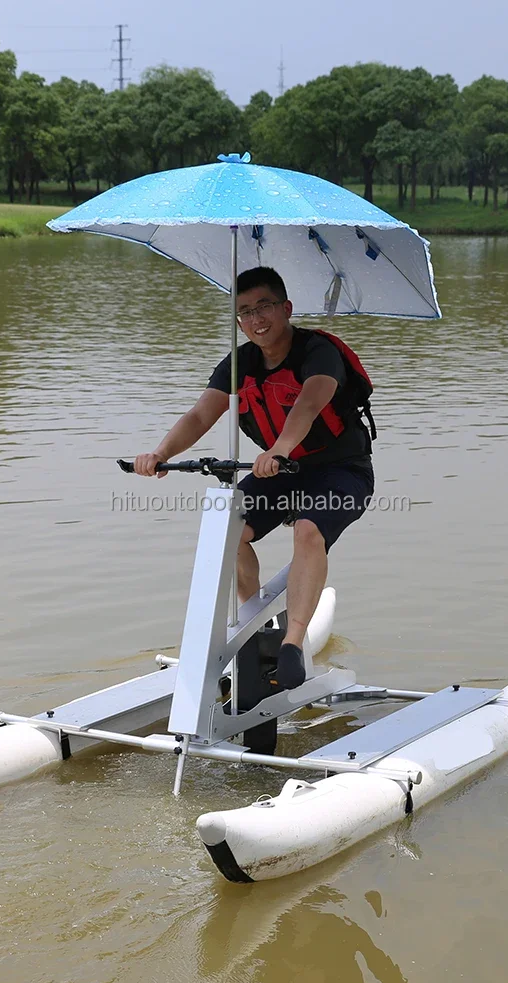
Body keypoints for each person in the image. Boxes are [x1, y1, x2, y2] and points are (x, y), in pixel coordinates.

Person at [133, 265, 374, 696]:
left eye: (264, 306)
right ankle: (253, 624)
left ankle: (292, 645)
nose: (256, 319)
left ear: (286, 308)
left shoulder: (318, 352)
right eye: (244, 311)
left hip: (341, 470)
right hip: (278, 472)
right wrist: (161, 454)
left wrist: (279, 449)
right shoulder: (238, 362)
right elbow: (200, 414)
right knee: (226, 526)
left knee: (308, 530)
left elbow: (309, 402)